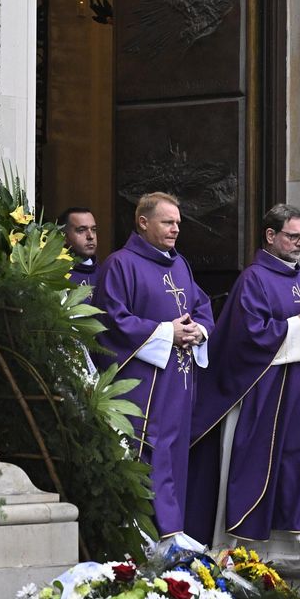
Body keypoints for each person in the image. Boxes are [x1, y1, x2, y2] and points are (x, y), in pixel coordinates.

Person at [185, 205, 300, 577]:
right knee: (268, 470)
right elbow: (245, 337)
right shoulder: (253, 279)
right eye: (292, 236)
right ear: (270, 236)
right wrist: (295, 325)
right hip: (268, 397)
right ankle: (254, 552)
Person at [93, 192, 214, 539]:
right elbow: (112, 321)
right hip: (144, 384)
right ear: (143, 223)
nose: (176, 229)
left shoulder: (180, 264)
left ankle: (174, 532)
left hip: (179, 381)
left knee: (176, 456)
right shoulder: (120, 264)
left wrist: (198, 330)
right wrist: (166, 332)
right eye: (168, 222)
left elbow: (202, 304)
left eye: (178, 223)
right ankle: (148, 538)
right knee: (148, 454)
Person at [57, 207, 99, 293]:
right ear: (63, 236)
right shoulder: (55, 275)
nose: (91, 236)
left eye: (93, 229)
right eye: (81, 230)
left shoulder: (105, 274)